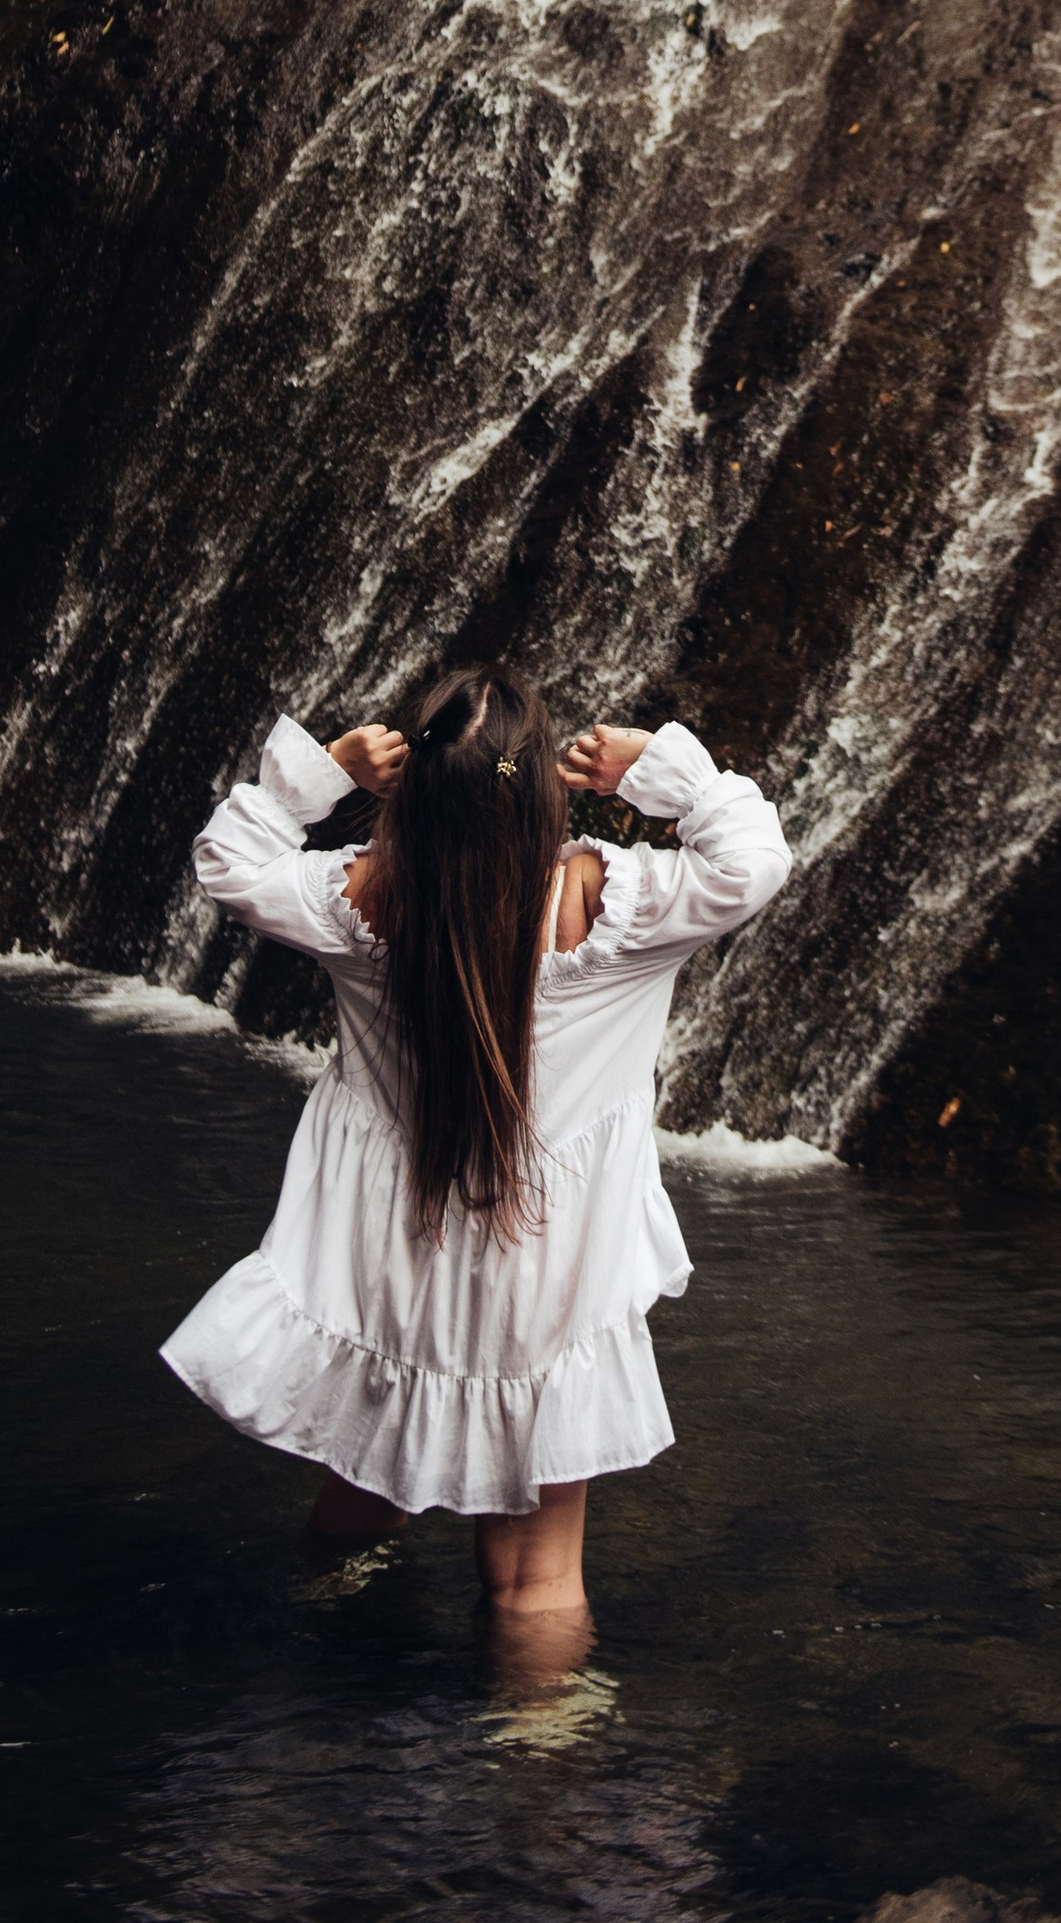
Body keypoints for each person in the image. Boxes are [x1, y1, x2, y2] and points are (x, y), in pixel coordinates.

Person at [160, 664, 792, 1642]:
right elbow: (751, 858)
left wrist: (323, 772)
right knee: (533, 1581)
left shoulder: (356, 897)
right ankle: (538, 1778)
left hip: (395, 1272)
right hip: (544, 1276)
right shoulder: (618, 907)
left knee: (363, 1492)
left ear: (410, 787)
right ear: (547, 788)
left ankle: (316, 1651)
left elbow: (228, 864)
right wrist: (661, 772)